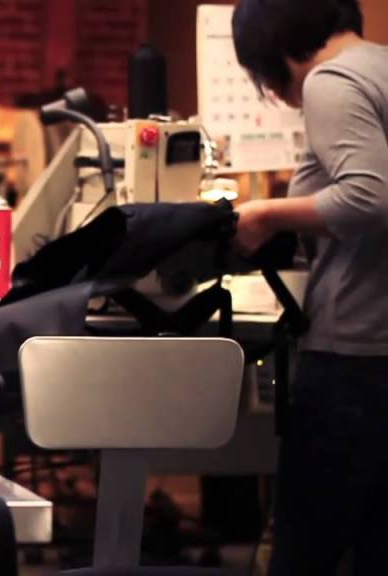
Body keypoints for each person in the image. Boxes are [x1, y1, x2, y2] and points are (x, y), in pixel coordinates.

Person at [231, 0, 388, 574]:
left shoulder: (331, 81)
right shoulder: (381, 68)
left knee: (305, 553)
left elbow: (370, 196)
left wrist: (265, 215)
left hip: (356, 354)